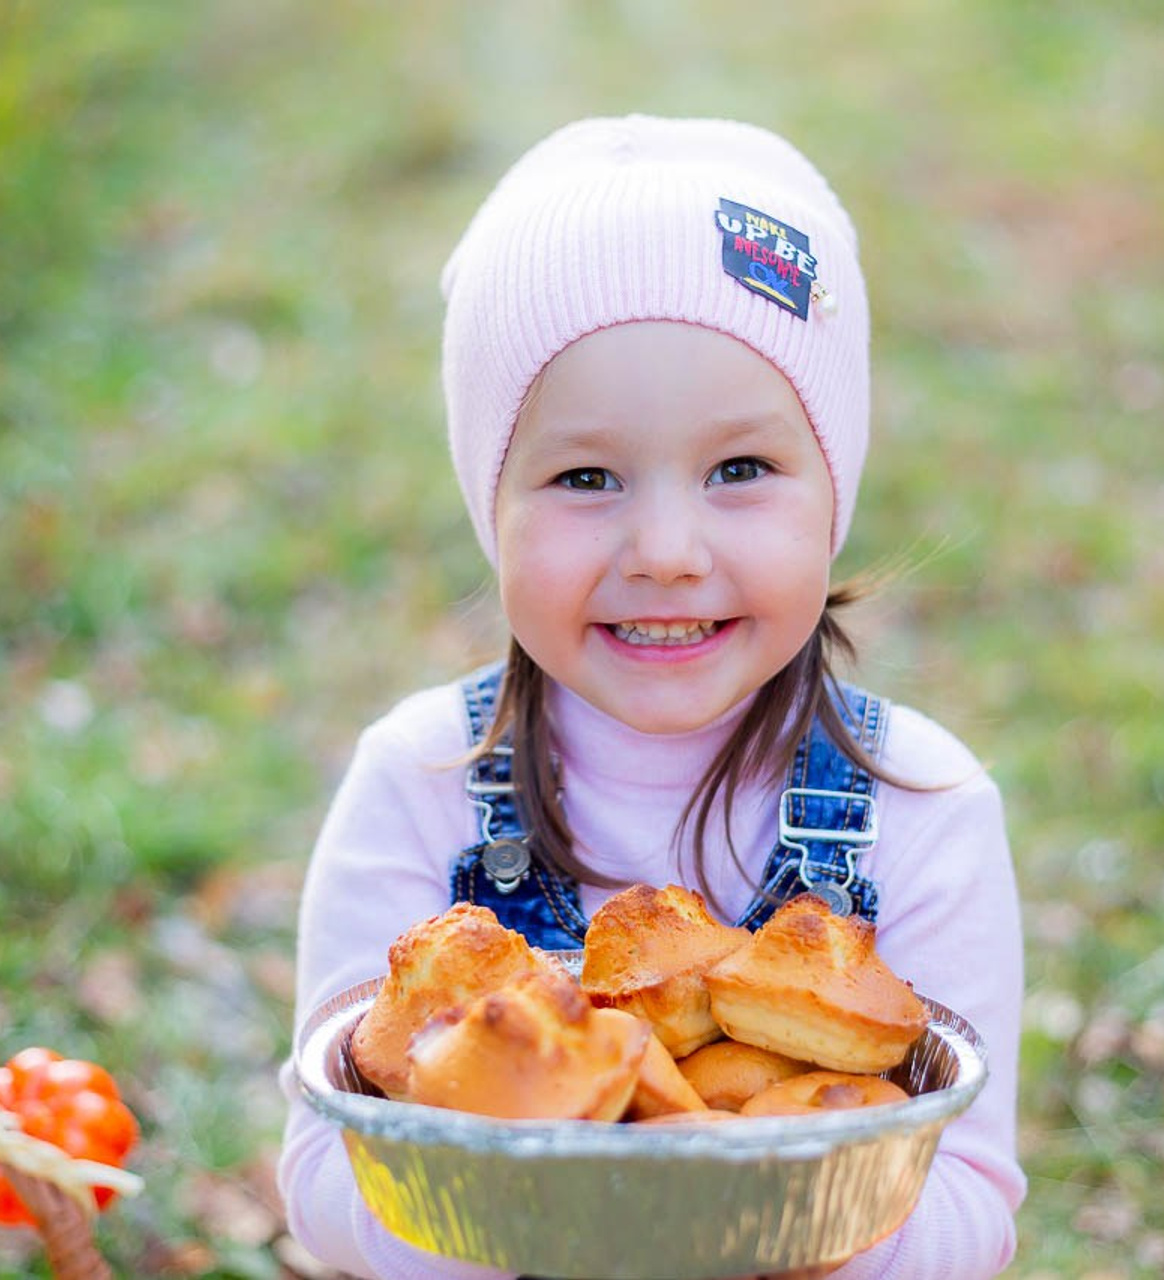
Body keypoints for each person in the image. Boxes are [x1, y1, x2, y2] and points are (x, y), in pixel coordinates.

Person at [278, 114, 1026, 1279]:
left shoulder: (920, 804)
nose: (666, 549)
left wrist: (793, 1238)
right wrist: (541, 1233)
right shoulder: (417, 780)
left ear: (833, 488)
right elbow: (332, 1165)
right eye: (585, 476)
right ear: (492, 504)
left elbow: (969, 1193)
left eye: (739, 469)